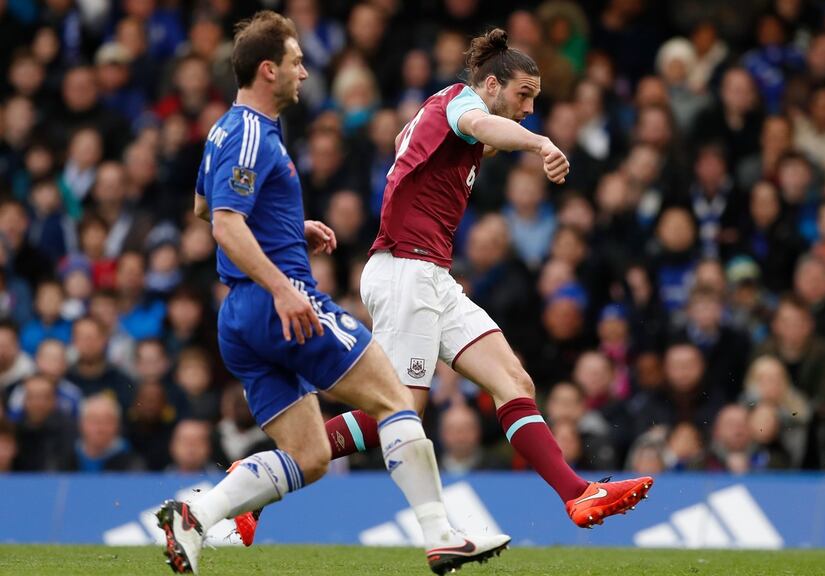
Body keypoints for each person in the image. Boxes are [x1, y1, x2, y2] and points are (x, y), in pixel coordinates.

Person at [233, 27, 653, 543]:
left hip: (431, 275)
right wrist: (541, 142)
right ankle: (254, 481)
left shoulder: (441, 109)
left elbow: (409, 142)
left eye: (535, 103)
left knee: (514, 383)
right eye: (524, 95)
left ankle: (576, 493)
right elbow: (477, 122)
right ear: (492, 84)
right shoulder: (463, 103)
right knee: (399, 411)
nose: (528, 109)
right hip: (405, 269)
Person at [157, 13, 509, 576]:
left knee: (310, 455)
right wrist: (282, 287)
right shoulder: (250, 130)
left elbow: (205, 206)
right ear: (268, 69)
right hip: (281, 303)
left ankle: (196, 513)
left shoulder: (226, 129)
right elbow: (223, 223)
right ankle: (440, 534)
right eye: (296, 61)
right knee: (395, 398)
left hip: (241, 317)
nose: (304, 71)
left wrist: (289, 228)